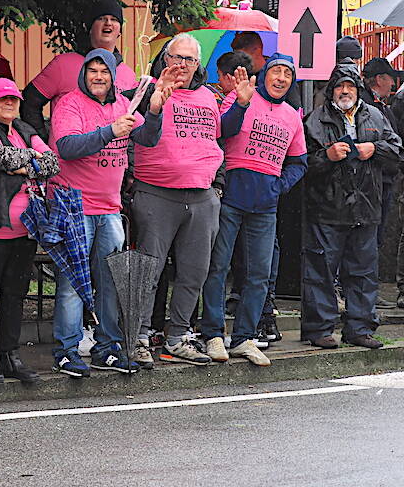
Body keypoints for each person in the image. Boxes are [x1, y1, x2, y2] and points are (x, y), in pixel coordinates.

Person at [50, 48, 169, 377]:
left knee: (110, 281)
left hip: (109, 208)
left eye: (104, 71)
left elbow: (148, 137)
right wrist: (109, 132)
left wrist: (155, 110)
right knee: (74, 284)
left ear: (114, 76)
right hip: (73, 205)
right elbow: (67, 147)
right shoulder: (69, 103)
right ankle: (66, 351)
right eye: (93, 70)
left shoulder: (122, 105)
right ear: (83, 74)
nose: (98, 76)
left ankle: (107, 348)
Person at [200, 55, 307, 366]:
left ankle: (244, 337)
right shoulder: (241, 93)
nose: (281, 78)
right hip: (231, 195)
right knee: (218, 267)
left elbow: (299, 162)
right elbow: (221, 131)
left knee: (259, 274)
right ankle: (213, 334)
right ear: (264, 75)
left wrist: (279, 186)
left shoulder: (292, 116)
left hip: (266, 203)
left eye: (288, 74)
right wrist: (241, 104)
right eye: (276, 71)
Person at [131, 33, 224, 366]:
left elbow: (215, 141)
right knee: (149, 272)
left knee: (194, 272)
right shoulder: (144, 91)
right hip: (157, 194)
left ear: (198, 65)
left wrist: (217, 186)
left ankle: (178, 337)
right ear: (165, 59)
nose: (182, 65)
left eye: (190, 59)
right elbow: (136, 136)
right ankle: (139, 337)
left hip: (201, 196)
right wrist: (154, 104)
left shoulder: (208, 96)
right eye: (177, 57)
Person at [0, 78, 60, 383]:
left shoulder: (25, 130)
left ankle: (10, 356)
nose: (9, 104)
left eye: (14, 100)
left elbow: (53, 163)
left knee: (15, 295)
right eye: (3, 99)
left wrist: (25, 162)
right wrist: (33, 159)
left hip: (24, 229)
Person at [301, 61, 401, 350]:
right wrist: (326, 156)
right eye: (340, 86)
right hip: (326, 208)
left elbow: (397, 151)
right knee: (320, 270)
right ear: (332, 90)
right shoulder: (315, 120)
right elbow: (302, 164)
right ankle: (319, 328)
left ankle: (359, 328)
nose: (345, 91)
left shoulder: (376, 116)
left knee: (362, 271)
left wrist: (376, 148)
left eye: (350, 86)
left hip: (367, 207)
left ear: (358, 89)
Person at [21, 0, 138, 141]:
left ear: (120, 30)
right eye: (101, 18)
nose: (108, 23)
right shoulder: (62, 65)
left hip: (115, 160)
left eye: (114, 19)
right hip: (67, 159)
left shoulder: (128, 74)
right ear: (90, 27)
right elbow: (29, 102)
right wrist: (41, 140)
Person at [361, 57, 401, 310]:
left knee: (374, 237)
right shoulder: (368, 106)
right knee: (368, 237)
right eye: (390, 79)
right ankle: (365, 293)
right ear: (379, 79)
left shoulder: (383, 105)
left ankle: (369, 291)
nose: (393, 84)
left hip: (384, 179)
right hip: (372, 181)